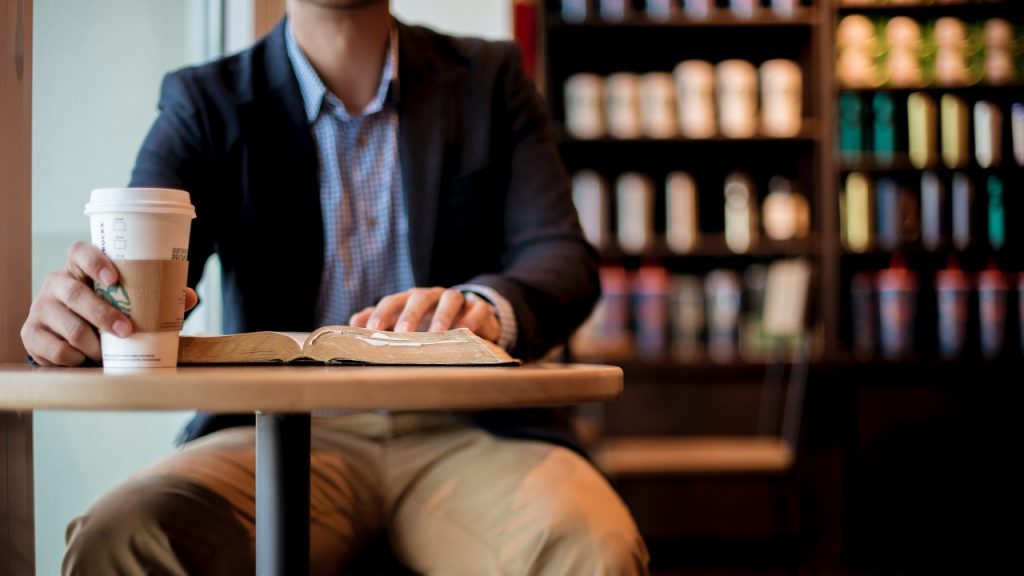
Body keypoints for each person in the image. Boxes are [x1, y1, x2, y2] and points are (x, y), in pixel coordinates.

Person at [21, 0, 650, 574]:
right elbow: (133, 272)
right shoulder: (205, 101)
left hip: (468, 432)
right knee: (119, 538)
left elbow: (562, 257)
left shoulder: (490, 76)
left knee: (592, 547)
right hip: (271, 433)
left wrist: (482, 307)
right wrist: (83, 318)